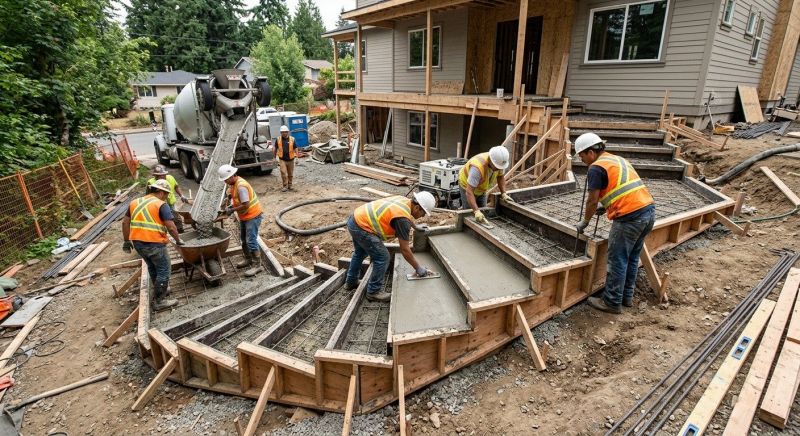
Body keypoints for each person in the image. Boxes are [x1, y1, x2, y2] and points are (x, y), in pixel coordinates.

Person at [574, 132, 656, 314]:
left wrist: (585, 221)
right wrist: (608, 205)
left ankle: (611, 302)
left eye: (582, 156)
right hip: (648, 212)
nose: (582, 160)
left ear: (590, 152)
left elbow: (592, 201)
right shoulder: (615, 159)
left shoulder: (595, 168)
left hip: (630, 218)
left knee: (617, 260)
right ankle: (626, 297)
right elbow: (621, 187)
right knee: (632, 258)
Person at [346, 191, 436, 302]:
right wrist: (418, 268)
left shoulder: (404, 201)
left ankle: (351, 281)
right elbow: (405, 249)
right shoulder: (403, 220)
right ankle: (373, 292)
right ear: (417, 207)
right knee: (383, 257)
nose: (423, 216)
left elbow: (404, 215)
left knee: (360, 253)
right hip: (363, 227)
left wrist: (415, 227)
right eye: (424, 213)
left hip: (355, 219)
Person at [122, 179, 183, 310]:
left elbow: (125, 223)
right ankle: (159, 301)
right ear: (160, 192)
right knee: (164, 270)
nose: (166, 197)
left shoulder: (134, 202)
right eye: (166, 194)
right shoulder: (161, 204)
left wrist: (126, 241)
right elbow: (171, 227)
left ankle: (160, 289)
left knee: (152, 267)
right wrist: (178, 240)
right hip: (154, 244)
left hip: (138, 244)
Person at [218, 164, 264, 277]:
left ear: (232, 176)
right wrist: (228, 201)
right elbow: (234, 197)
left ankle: (257, 265)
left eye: (226, 179)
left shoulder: (241, 186)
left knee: (251, 240)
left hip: (252, 216)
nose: (225, 182)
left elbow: (246, 205)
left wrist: (231, 210)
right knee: (243, 239)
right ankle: (248, 259)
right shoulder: (233, 184)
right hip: (245, 216)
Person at [458, 146, 514, 223]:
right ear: (491, 160)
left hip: (481, 189)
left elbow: (500, 177)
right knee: (469, 214)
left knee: (483, 211)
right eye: (497, 167)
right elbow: (469, 192)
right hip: (466, 186)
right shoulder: (477, 168)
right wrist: (476, 211)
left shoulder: (499, 162)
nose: (499, 169)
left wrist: (503, 193)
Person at [147, 164, 189, 233]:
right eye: (160, 176)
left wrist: (181, 195)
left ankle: (180, 230)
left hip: (171, 203)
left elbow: (176, 186)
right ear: (155, 176)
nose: (162, 177)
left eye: (164, 175)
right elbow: (148, 194)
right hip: (159, 205)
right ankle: (166, 232)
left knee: (176, 218)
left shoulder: (170, 178)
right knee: (163, 219)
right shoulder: (151, 182)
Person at [273, 125, 296, 191]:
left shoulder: (292, 139)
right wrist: (274, 157)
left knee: (290, 173)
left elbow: (295, 148)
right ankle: (285, 186)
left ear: (288, 132)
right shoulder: (278, 139)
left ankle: (290, 185)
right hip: (282, 159)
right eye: (282, 132)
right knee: (283, 172)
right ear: (280, 133)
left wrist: (297, 157)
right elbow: (275, 148)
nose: (284, 133)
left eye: (285, 132)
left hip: (291, 159)